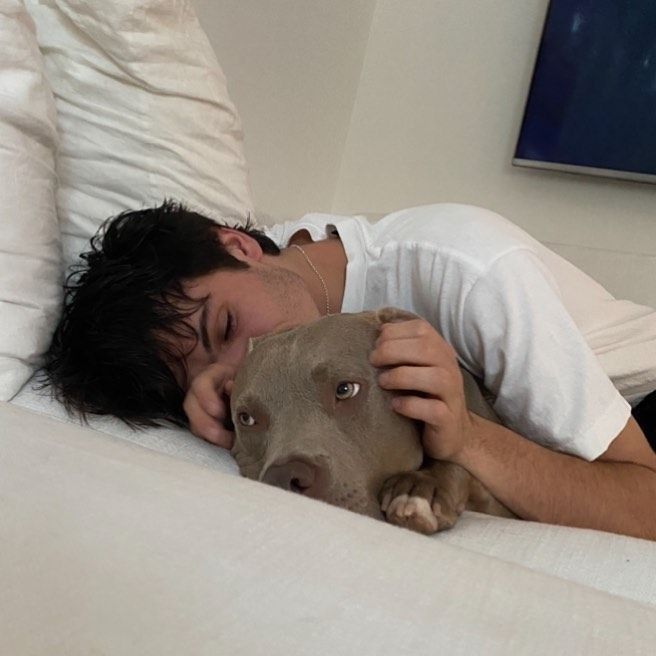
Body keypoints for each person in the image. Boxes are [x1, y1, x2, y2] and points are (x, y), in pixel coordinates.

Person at [43, 200, 656, 539]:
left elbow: (645, 503)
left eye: (225, 329)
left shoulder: (468, 270)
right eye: (210, 376)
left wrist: (466, 437)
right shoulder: (281, 274)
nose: (242, 364)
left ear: (239, 246)